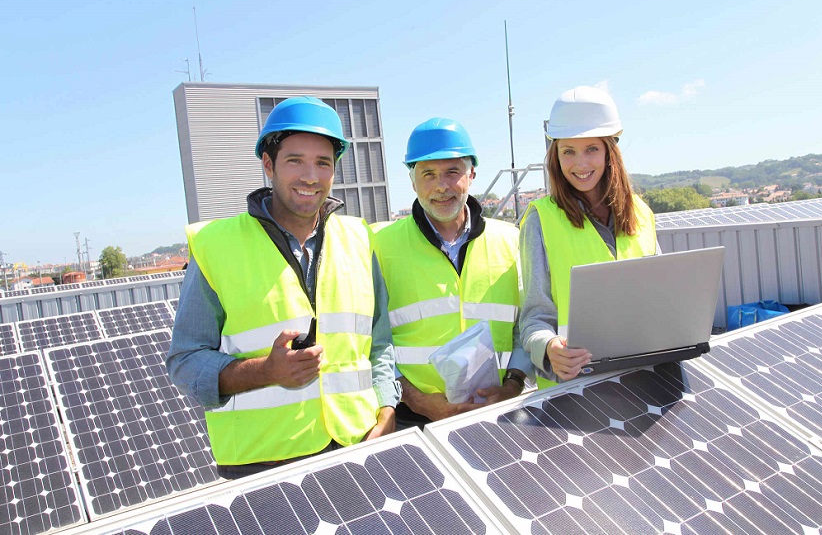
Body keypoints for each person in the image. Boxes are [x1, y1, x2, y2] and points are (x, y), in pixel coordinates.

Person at [167, 96, 399, 479]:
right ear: (268, 164)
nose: (310, 176)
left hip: (359, 448)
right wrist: (266, 371)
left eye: (323, 162)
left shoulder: (360, 239)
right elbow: (185, 361)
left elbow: (379, 344)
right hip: (262, 466)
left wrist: (387, 410)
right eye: (295, 161)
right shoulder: (215, 247)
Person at [373, 117, 532, 428]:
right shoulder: (380, 246)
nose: (441, 186)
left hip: (499, 411)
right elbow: (372, 342)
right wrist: (417, 400)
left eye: (452, 172)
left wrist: (513, 384)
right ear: (412, 181)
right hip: (412, 419)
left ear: (471, 175)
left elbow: (524, 325)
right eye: (428, 174)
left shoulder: (511, 241)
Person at [520, 86, 659, 387]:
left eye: (592, 149)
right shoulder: (540, 220)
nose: (580, 164)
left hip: (644, 377)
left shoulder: (642, 213)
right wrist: (549, 347)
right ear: (556, 156)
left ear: (610, 151)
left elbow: (663, 298)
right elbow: (533, 319)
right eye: (568, 151)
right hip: (574, 389)